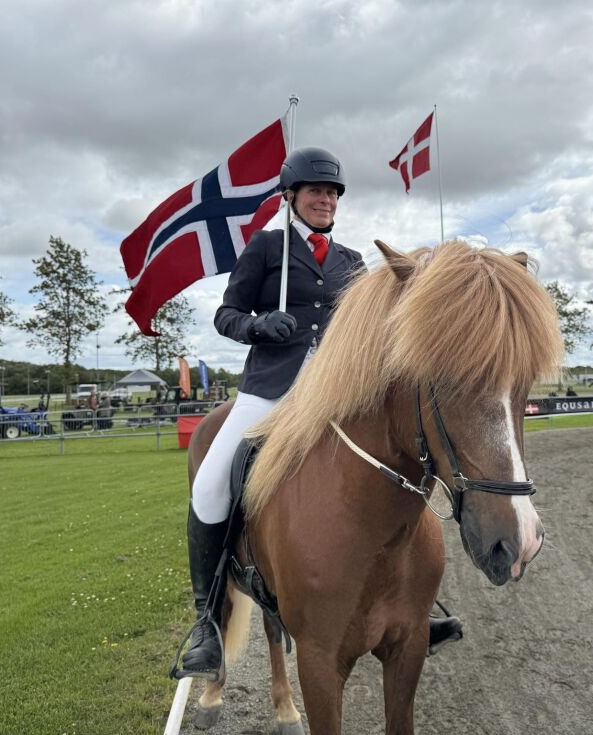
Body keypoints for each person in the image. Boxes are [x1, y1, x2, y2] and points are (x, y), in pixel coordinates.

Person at [176, 148, 461, 679]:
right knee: (211, 485)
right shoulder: (265, 248)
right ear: (291, 197)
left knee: (401, 465)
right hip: (271, 390)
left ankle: (416, 606)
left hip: (336, 393)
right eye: (315, 191)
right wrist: (257, 327)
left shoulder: (352, 262)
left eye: (331, 193)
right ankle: (206, 622)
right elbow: (225, 313)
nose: (325, 199)